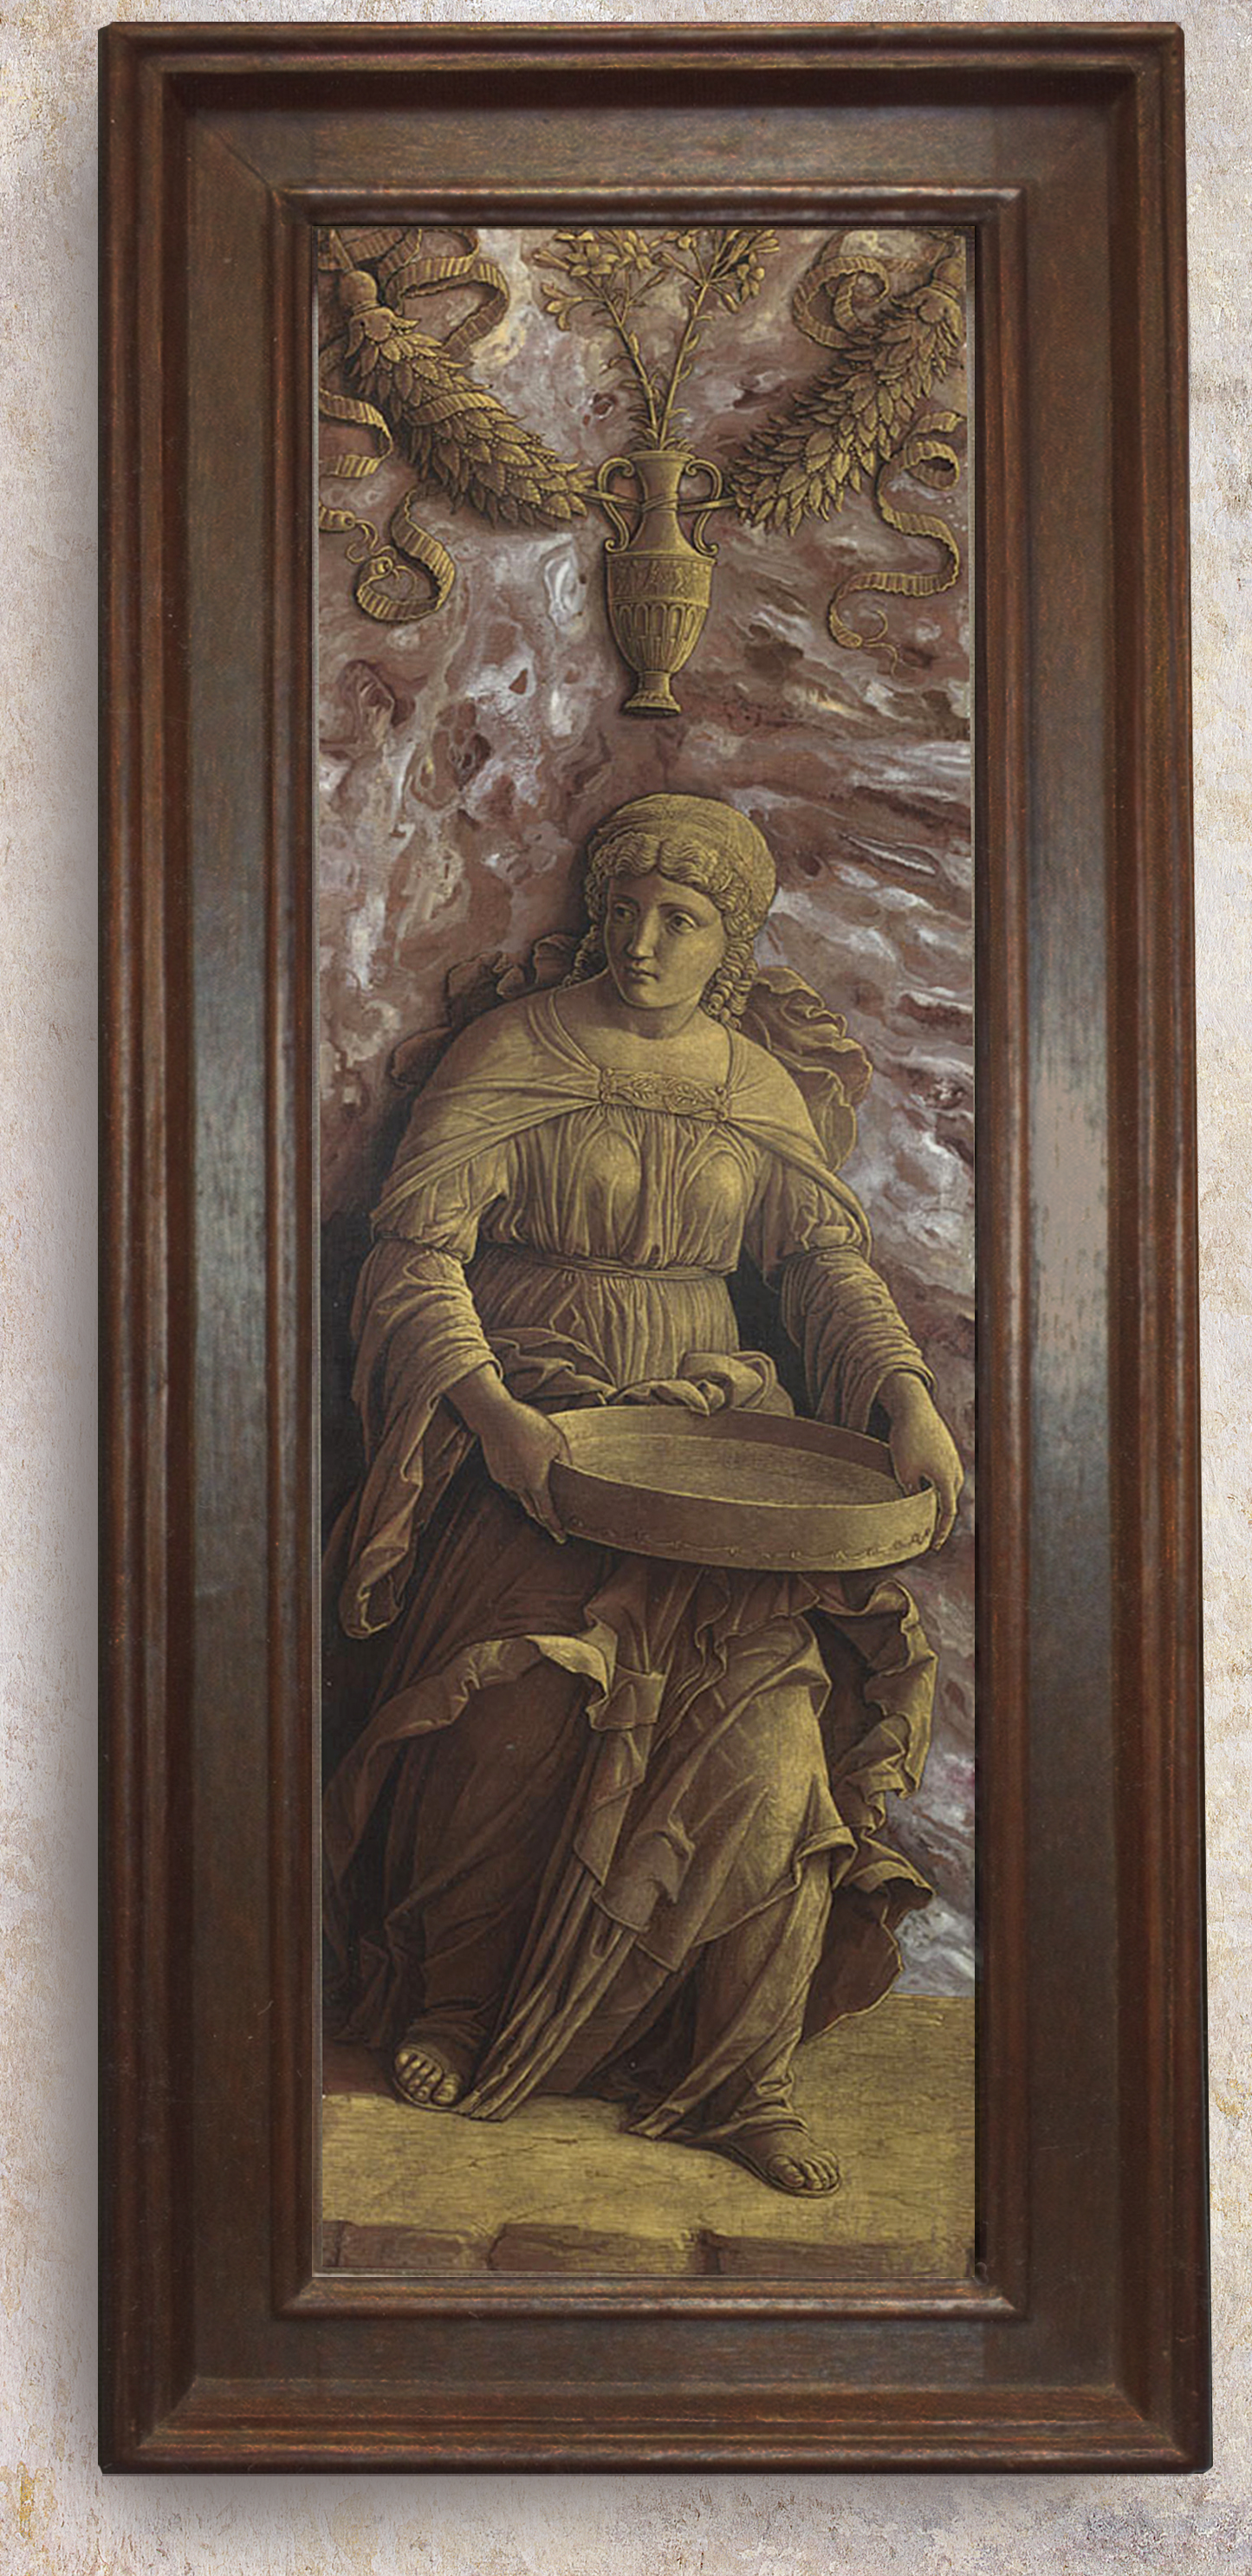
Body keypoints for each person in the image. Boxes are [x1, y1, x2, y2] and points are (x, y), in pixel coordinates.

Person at [322, 794, 963, 2196]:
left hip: (714, 1451)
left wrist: (906, 1399)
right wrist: (494, 1416)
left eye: (683, 921)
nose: (646, 942)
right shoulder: (516, 1051)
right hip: (529, 1444)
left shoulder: (756, 1085)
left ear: (732, 944)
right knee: (517, 1717)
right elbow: (416, 1256)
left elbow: (822, 1271)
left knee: (772, 1758)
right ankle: (459, 2003)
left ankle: (738, 2076)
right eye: (626, 911)